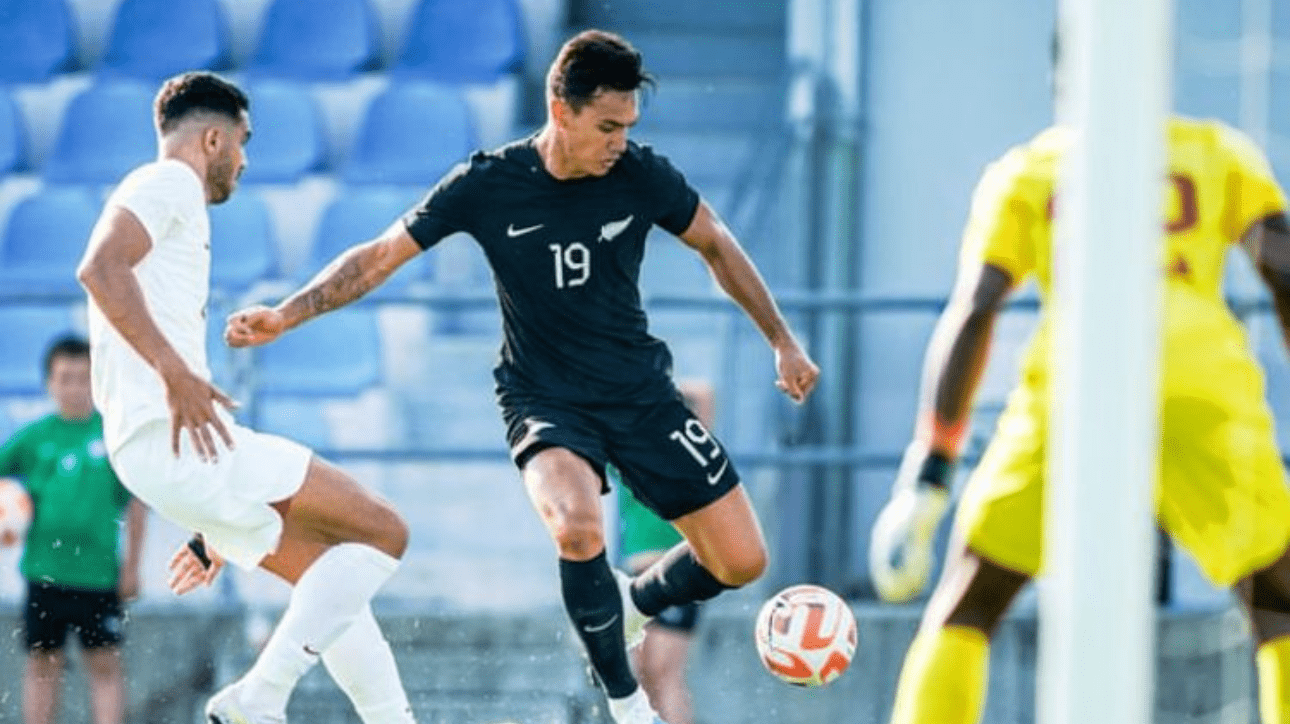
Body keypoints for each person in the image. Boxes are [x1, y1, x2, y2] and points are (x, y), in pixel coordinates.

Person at [223, 30, 820, 724]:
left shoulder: (642, 175)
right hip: (544, 399)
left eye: (628, 127)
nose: (619, 142)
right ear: (560, 109)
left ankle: (633, 601)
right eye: (606, 126)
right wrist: (288, 315)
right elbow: (380, 256)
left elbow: (715, 241)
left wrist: (781, 340)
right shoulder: (488, 183)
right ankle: (629, 706)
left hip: (639, 394)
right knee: (575, 528)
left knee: (742, 561)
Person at [867, 49, 1290, 724]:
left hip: (1075, 382)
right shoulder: (1215, 152)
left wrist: (932, 463)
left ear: (1059, 79)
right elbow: (1286, 272)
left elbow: (976, 308)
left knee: (973, 591)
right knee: (1278, 593)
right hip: (1201, 381)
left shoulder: (1033, 169)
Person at [75, 71, 416, 724]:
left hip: (159, 454)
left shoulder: (164, 195)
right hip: (171, 441)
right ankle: (258, 699)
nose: (245, 160)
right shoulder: (168, 181)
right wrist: (175, 373)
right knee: (382, 532)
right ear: (212, 138)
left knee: (330, 582)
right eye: (243, 142)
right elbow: (99, 267)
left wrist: (209, 532)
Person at [0, 335, 147, 724]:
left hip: (98, 573)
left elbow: (136, 503)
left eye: (83, 378)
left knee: (104, 666)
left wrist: (132, 568)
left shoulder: (112, 437)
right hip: (44, 570)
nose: (75, 387)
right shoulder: (35, 437)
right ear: (49, 382)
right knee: (42, 664)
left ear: (96, 382)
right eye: (65, 378)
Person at [614, 380, 714, 724]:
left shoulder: (686, 450)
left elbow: (705, 393)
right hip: (638, 575)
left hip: (676, 574)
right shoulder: (625, 452)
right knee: (643, 678)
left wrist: (653, 383)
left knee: (665, 674)